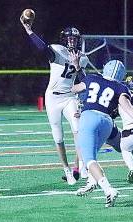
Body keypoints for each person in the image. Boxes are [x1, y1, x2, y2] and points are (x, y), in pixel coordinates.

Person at [20, 13, 88, 185]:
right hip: (52, 98)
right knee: (58, 137)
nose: (72, 41)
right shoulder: (57, 50)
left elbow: (85, 81)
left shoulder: (83, 58)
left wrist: (78, 65)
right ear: (64, 40)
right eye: (69, 38)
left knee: (79, 131)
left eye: (74, 39)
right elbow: (43, 49)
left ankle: (80, 167)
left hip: (70, 97)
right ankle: (67, 169)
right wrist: (29, 31)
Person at [71, 60, 133, 207]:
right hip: (107, 122)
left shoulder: (92, 78)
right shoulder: (121, 86)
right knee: (91, 156)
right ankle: (92, 182)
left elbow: (75, 89)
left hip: (89, 117)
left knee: (89, 158)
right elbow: (127, 108)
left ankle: (108, 189)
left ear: (105, 69)